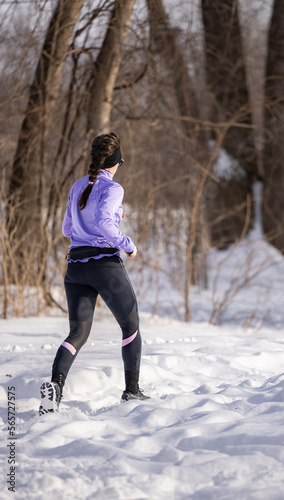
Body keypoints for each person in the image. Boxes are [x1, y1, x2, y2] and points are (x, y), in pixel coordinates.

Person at [39, 132, 149, 415]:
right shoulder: (114, 189)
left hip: (75, 268)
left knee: (77, 332)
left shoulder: (77, 186)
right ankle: (132, 391)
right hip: (104, 267)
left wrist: (109, 219)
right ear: (116, 162)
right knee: (131, 325)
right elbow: (102, 223)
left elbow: (67, 230)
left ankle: (54, 388)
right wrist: (129, 245)